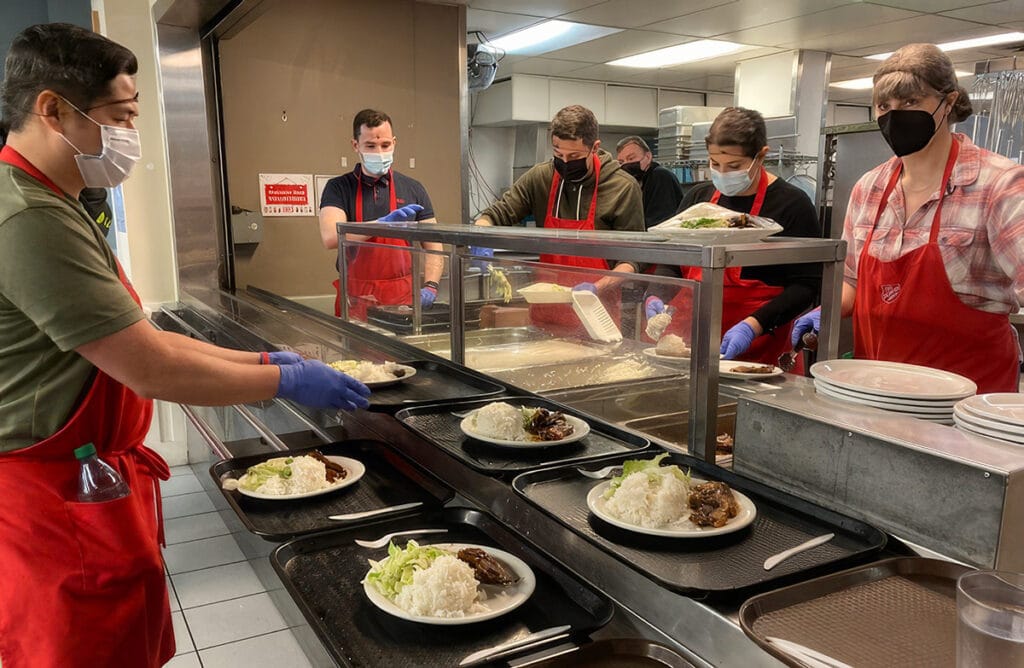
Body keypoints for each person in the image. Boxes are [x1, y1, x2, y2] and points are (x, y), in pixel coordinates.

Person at [0, 24, 370, 667]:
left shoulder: (56, 202)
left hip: (84, 483)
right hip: (52, 504)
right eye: (119, 115)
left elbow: (140, 338)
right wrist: (284, 382)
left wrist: (260, 360)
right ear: (52, 109)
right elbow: (148, 366)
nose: (128, 134)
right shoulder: (29, 216)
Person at [791, 43, 1024, 392]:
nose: (895, 115)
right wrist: (824, 312)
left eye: (911, 102)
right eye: (884, 105)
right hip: (878, 393)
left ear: (948, 103)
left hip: (966, 407)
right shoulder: (869, 188)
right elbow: (852, 281)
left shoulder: (998, 185)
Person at [643, 107, 822, 365]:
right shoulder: (698, 199)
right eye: (715, 164)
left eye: (734, 165)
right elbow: (671, 261)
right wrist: (657, 293)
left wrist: (754, 325)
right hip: (692, 342)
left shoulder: (791, 204)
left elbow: (806, 285)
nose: (723, 173)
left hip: (760, 346)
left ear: (761, 156)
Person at [474, 105, 644, 332]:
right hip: (547, 316)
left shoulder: (621, 187)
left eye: (574, 156)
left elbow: (632, 259)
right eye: (558, 154)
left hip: (595, 314)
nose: (565, 162)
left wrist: (597, 286)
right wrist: (480, 235)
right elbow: (497, 213)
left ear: (595, 147)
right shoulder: (541, 177)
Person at [319, 109, 443, 318]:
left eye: (385, 145)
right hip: (356, 298)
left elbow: (434, 246)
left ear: (394, 143)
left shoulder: (414, 188)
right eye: (370, 145)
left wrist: (431, 285)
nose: (379, 152)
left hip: (403, 297)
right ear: (355, 145)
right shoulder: (338, 187)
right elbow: (331, 237)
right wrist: (380, 224)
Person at [615, 135, 683, 228]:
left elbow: (659, 221)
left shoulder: (660, 176)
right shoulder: (637, 182)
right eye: (621, 162)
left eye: (631, 158)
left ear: (648, 157)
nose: (626, 164)